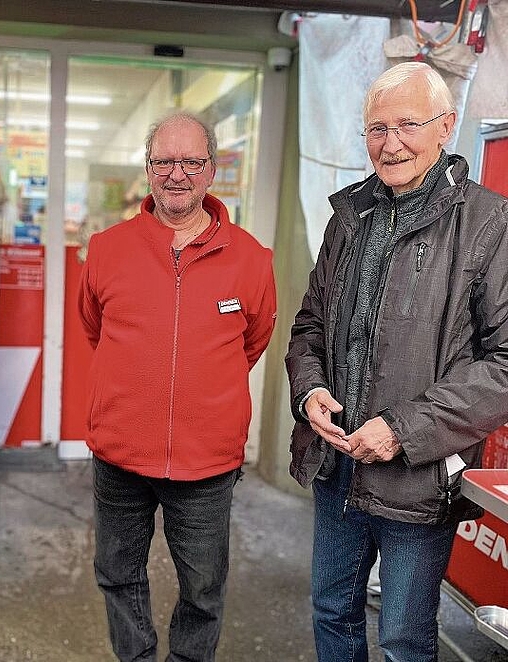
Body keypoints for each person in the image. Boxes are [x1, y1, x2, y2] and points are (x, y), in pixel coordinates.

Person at [285, 61, 508, 662]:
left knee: (404, 638)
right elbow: (309, 326)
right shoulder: (350, 217)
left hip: (420, 475)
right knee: (332, 614)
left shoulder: (489, 223)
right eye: (376, 129)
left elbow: (505, 363)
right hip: (337, 467)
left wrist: (402, 431)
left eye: (407, 124)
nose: (391, 143)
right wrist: (310, 394)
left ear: (446, 126)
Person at [78, 111, 277, 662]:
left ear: (212, 170)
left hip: (207, 459)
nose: (178, 173)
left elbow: (253, 341)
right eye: (165, 161)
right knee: (117, 574)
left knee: (204, 590)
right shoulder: (107, 248)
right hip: (120, 450)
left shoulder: (252, 259)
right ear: (148, 170)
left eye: (191, 161)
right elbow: (96, 329)